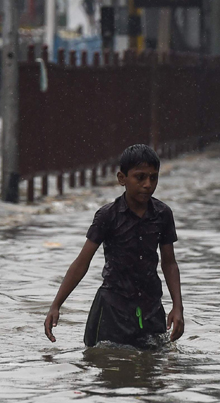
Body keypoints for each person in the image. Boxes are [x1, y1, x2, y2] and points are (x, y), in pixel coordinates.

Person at [44, 144, 185, 348]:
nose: (147, 184)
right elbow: (82, 263)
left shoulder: (163, 214)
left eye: (153, 178)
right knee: (109, 364)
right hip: (112, 309)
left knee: (154, 370)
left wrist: (177, 307)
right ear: (122, 179)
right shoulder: (107, 216)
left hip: (151, 308)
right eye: (140, 177)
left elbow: (169, 264)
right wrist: (56, 305)